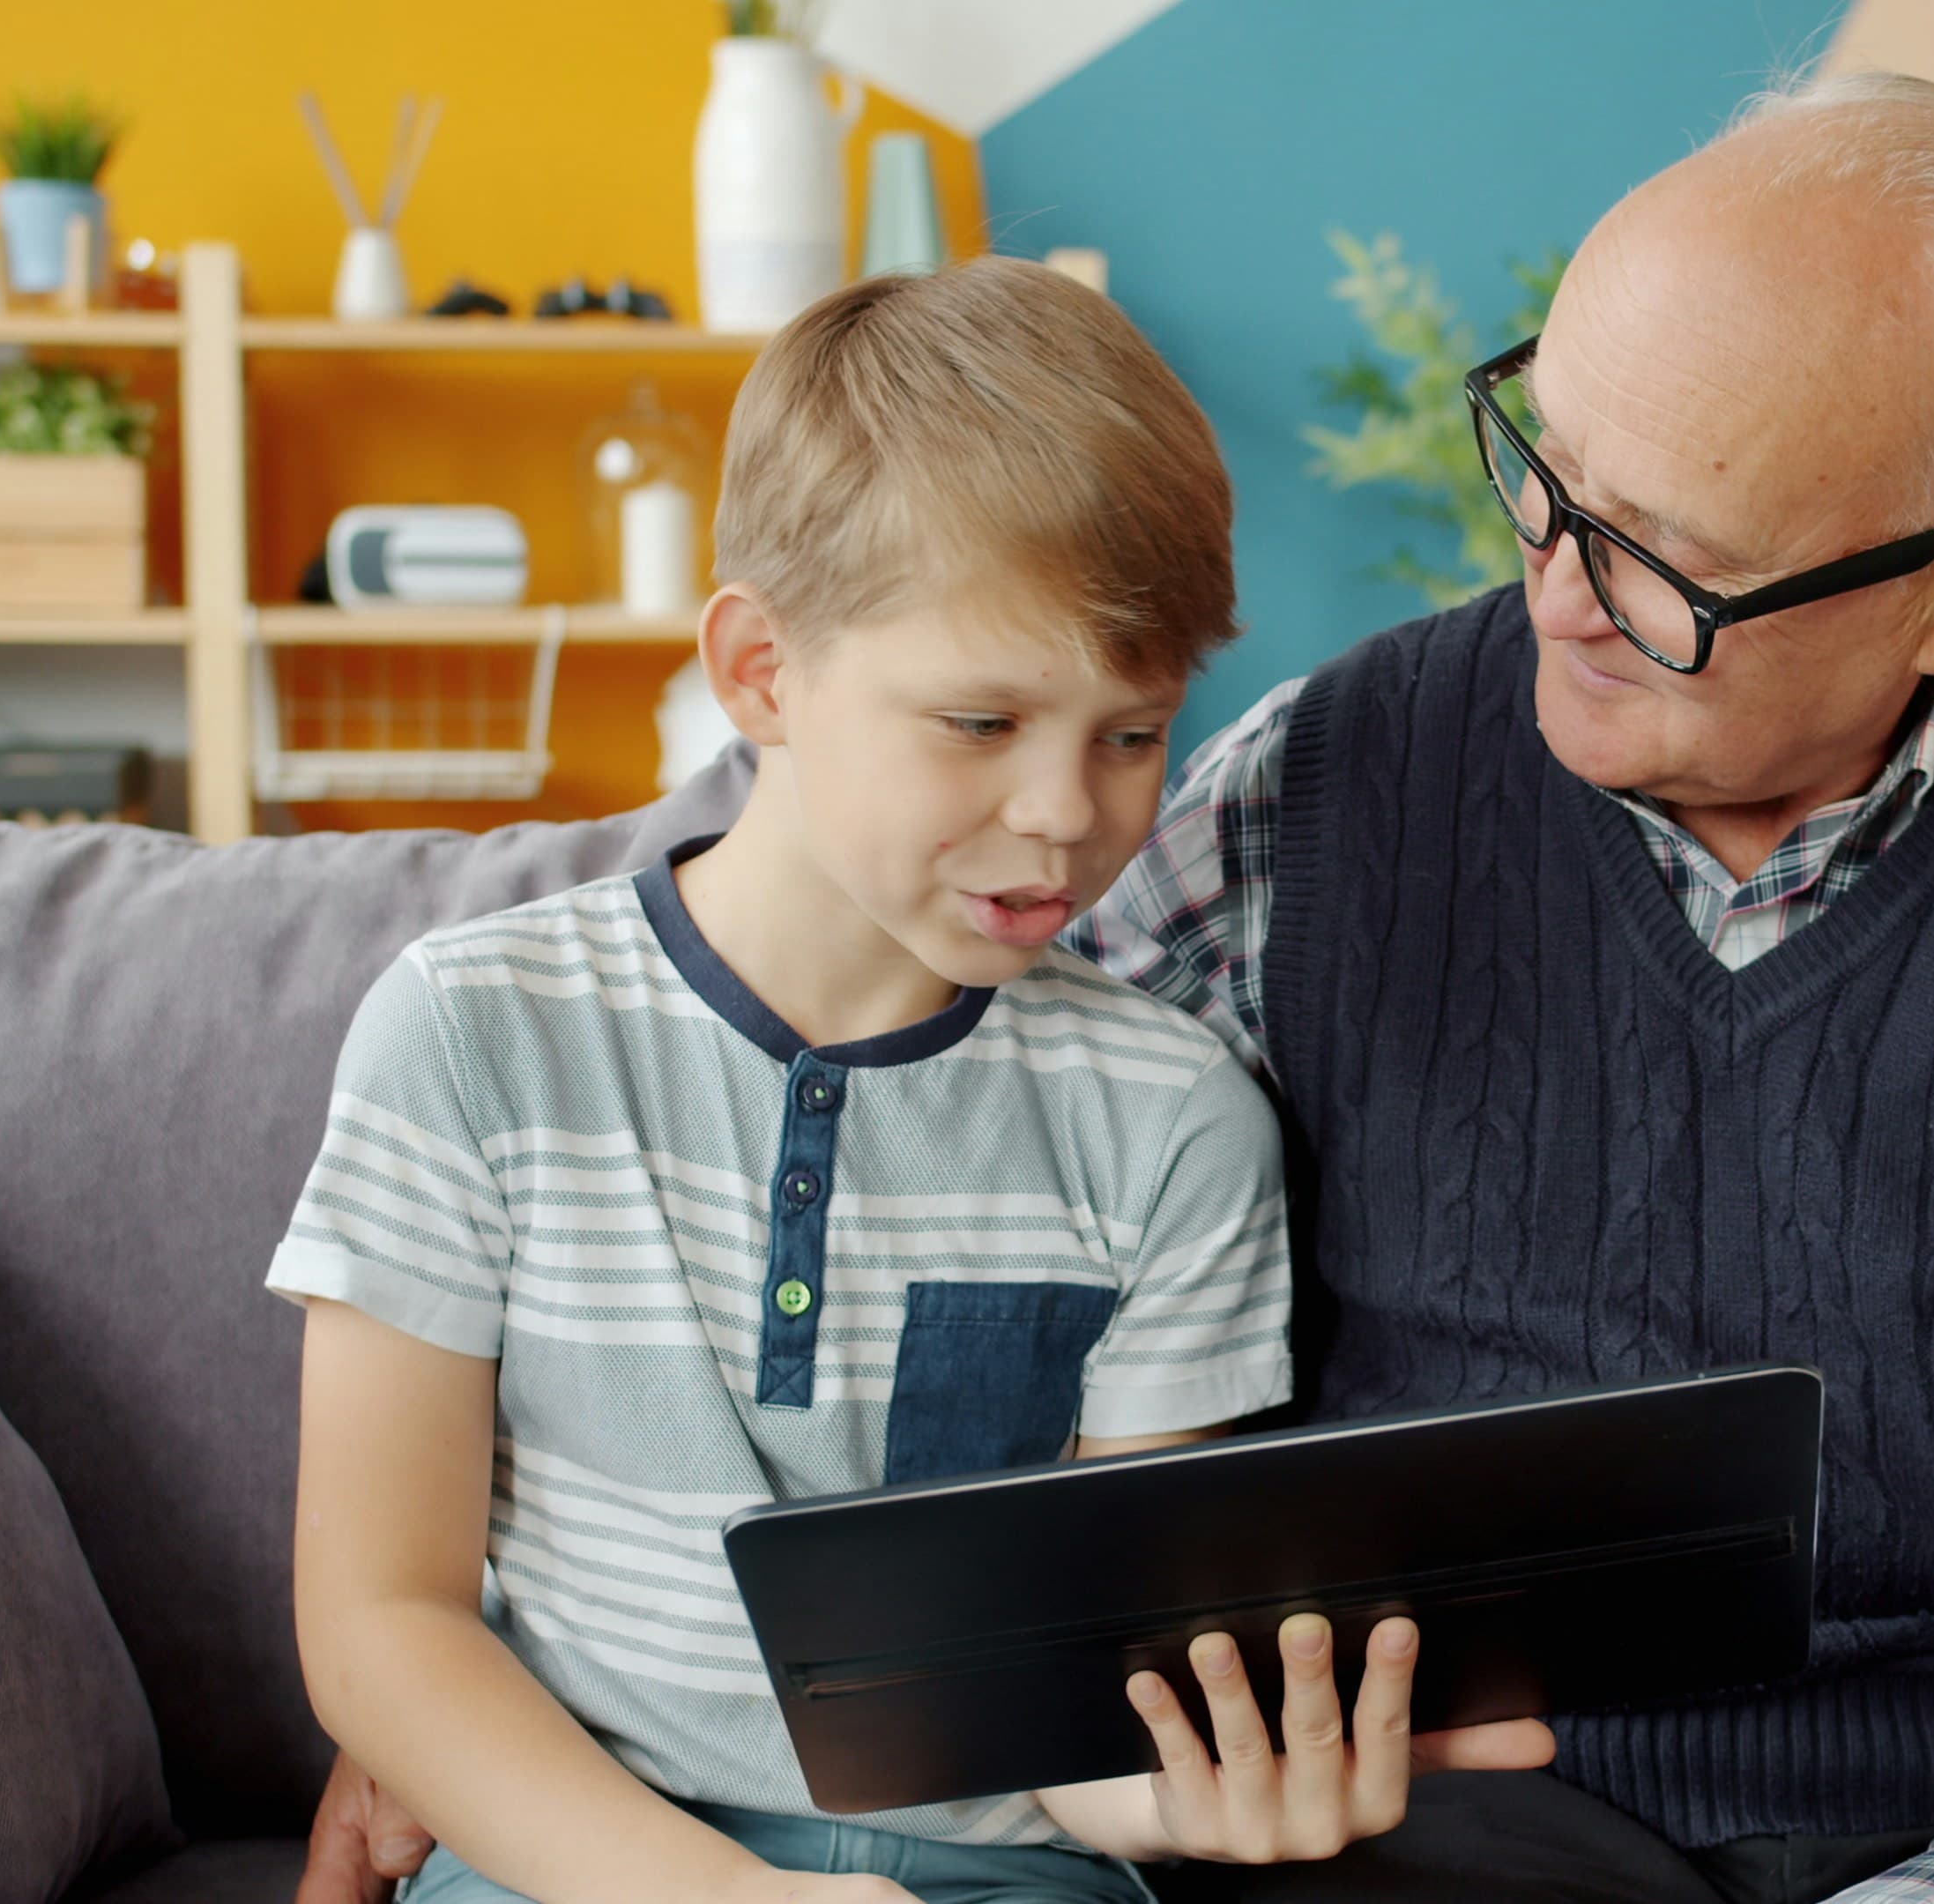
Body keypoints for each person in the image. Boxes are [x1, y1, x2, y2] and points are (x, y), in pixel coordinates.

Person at [307, 70, 1934, 1904]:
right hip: (1463, 1826)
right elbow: (888, 1019)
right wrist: (535, 1712)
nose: (1557, 588)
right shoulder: (1334, 778)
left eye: (1668, 564)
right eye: (1548, 467)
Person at [269, 257, 1548, 1904]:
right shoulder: (473, 1034)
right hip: (586, 1864)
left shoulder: (1173, 1125)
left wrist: (1203, 1795)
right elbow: (381, 1621)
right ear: (760, 673)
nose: (1062, 816)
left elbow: (1092, 1722)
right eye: (978, 720)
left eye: (1130, 733)